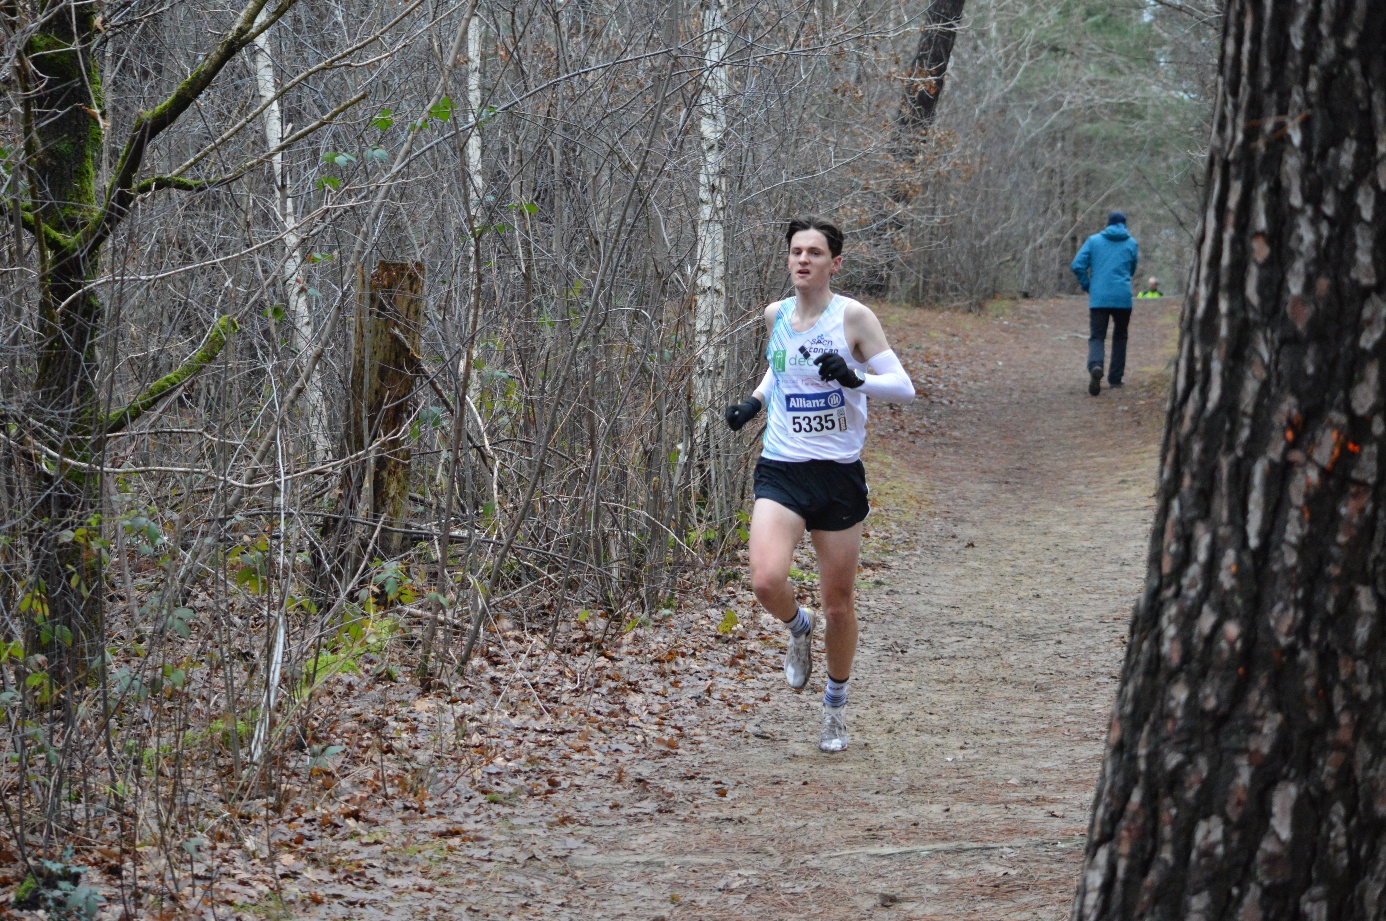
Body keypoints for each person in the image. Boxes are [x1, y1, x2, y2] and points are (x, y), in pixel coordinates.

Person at [724, 216, 916, 753]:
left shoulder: (853, 317)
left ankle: (835, 706)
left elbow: (904, 388)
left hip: (837, 476)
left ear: (834, 262)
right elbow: (778, 370)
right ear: (787, 259)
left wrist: (856, 378)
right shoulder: (776, 316)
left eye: (814, 252)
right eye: (795, 251)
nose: (803, 260)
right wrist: (755, 402)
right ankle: (796, 626)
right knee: (765, 580)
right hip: (782, 466)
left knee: (840, 605)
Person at [1071, 211, 1140, 396]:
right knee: (1120, 336)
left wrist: (1088, 285)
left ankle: (1096, 366)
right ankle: (1115, 379)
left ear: (1107, 223)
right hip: (1123, 297)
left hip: (1099, 297)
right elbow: (1132, 268)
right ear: (1124, 225)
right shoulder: (1132, 243)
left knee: (1097, 336)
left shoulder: (1093, 241)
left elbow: (1077, 265)